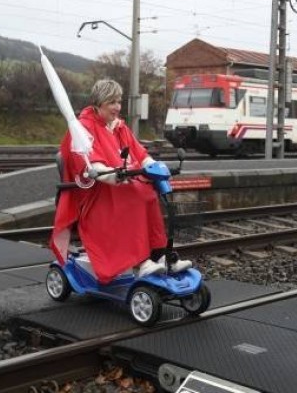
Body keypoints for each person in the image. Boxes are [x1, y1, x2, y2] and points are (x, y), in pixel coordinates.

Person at [50, 79, 191, 284]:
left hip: (122, 184)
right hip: (94, 193)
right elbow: (89, 165)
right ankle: (140, 262)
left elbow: (139, 153)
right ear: (99, 104)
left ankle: (160, 254)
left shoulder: (119, 127)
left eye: (118, 102)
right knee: (132, 199)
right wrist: (109, 174)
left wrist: (155, 166)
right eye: (112, 102)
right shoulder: (82, 129)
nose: (117, 107)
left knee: (149, 194)